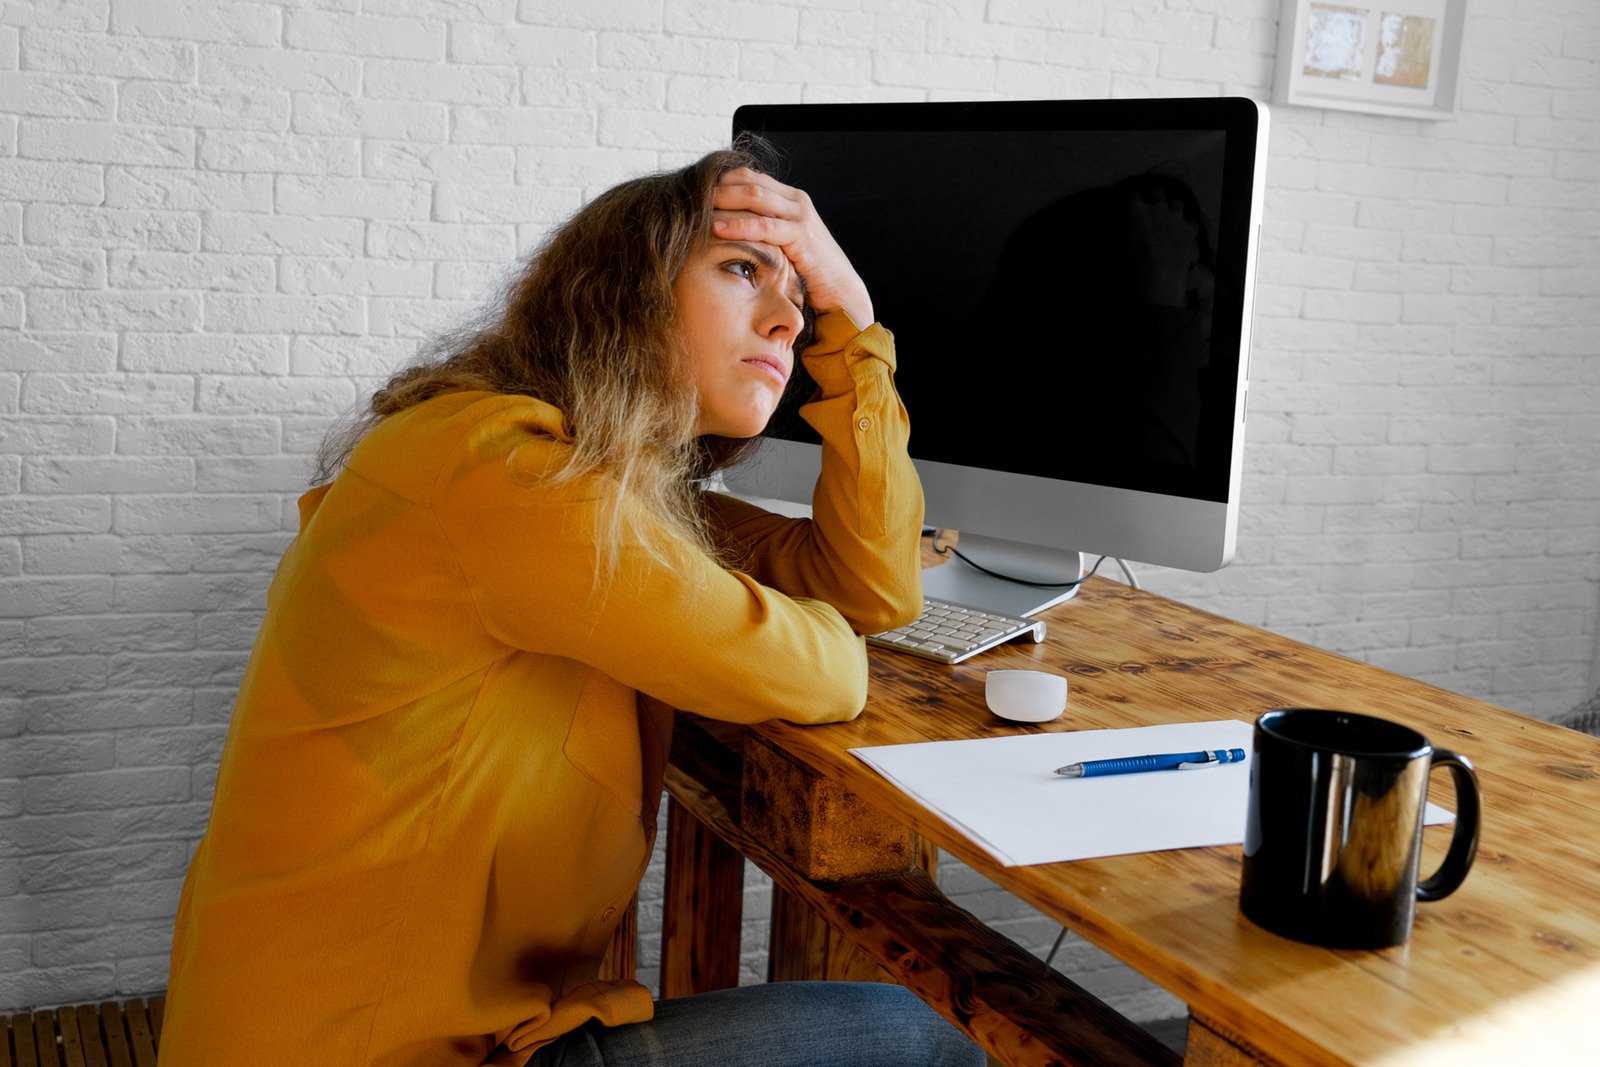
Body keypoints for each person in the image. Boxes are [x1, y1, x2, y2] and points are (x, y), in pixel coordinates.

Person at [156, 141, 983, 1067]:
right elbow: (825, 667)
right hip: (384, 1052)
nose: (790, 319)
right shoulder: (503, 469)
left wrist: (856, 331)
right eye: (743, 269)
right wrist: (782, 626)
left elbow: (871, 588)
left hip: (457, 1027)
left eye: (803, 298)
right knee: (914, 1039)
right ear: (624, 293)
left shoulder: (608, 491)